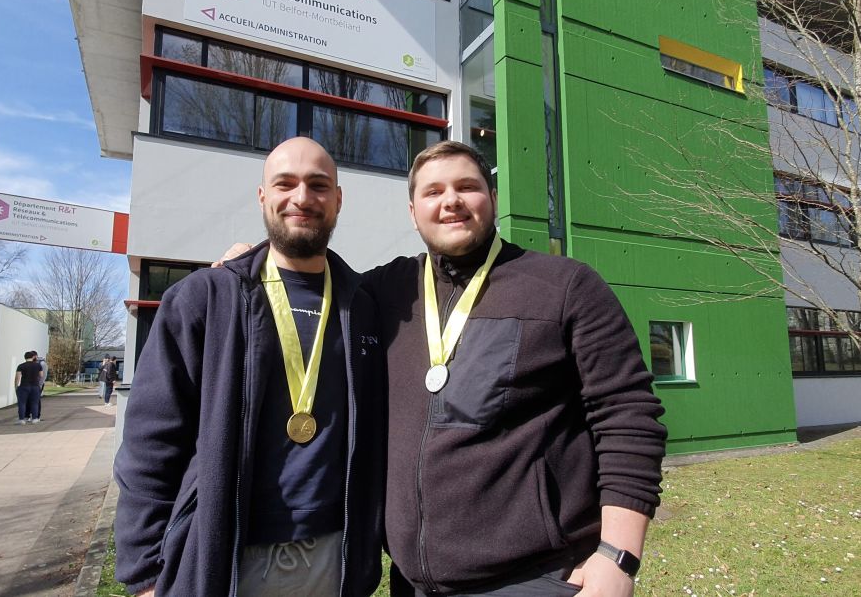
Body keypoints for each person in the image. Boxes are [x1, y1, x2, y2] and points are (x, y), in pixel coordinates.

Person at [218, 141, 667, 596]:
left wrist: (617, 558)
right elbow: (311, 276)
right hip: (412, 585)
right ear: (414, 212)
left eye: (466, 187)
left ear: (492, 199)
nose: (450, 200)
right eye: (433, 192)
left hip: (535, 579)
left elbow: (628, 418)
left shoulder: (565, 287)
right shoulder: (383, 292)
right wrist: (252, 262)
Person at [114, 137, 385, 597]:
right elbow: (150, 441)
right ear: (263, 196)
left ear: (338, 199)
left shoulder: (366, 305)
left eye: (319, 185)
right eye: (286, 183)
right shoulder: (205, 298)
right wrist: (145, 573)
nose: (302, 198)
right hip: (225, 557)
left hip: (335, 556)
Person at [14, 351, 42, 425]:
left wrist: (16, 386)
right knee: (35, 403)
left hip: (24, 386)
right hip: (35, 386)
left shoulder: (21, 366)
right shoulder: (38, 365)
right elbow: (41, 375)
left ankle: (22, 419)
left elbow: (17, 377)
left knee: (22, 403)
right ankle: (35, 418)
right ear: (33, 357)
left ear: (25, 357)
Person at [34, 351, 48, 420]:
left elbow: (43, 376)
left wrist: (40, 385)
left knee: (36, 400)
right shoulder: (35, 362)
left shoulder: (42, 363)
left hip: (38, 385)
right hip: (33, 384)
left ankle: (37, 416)